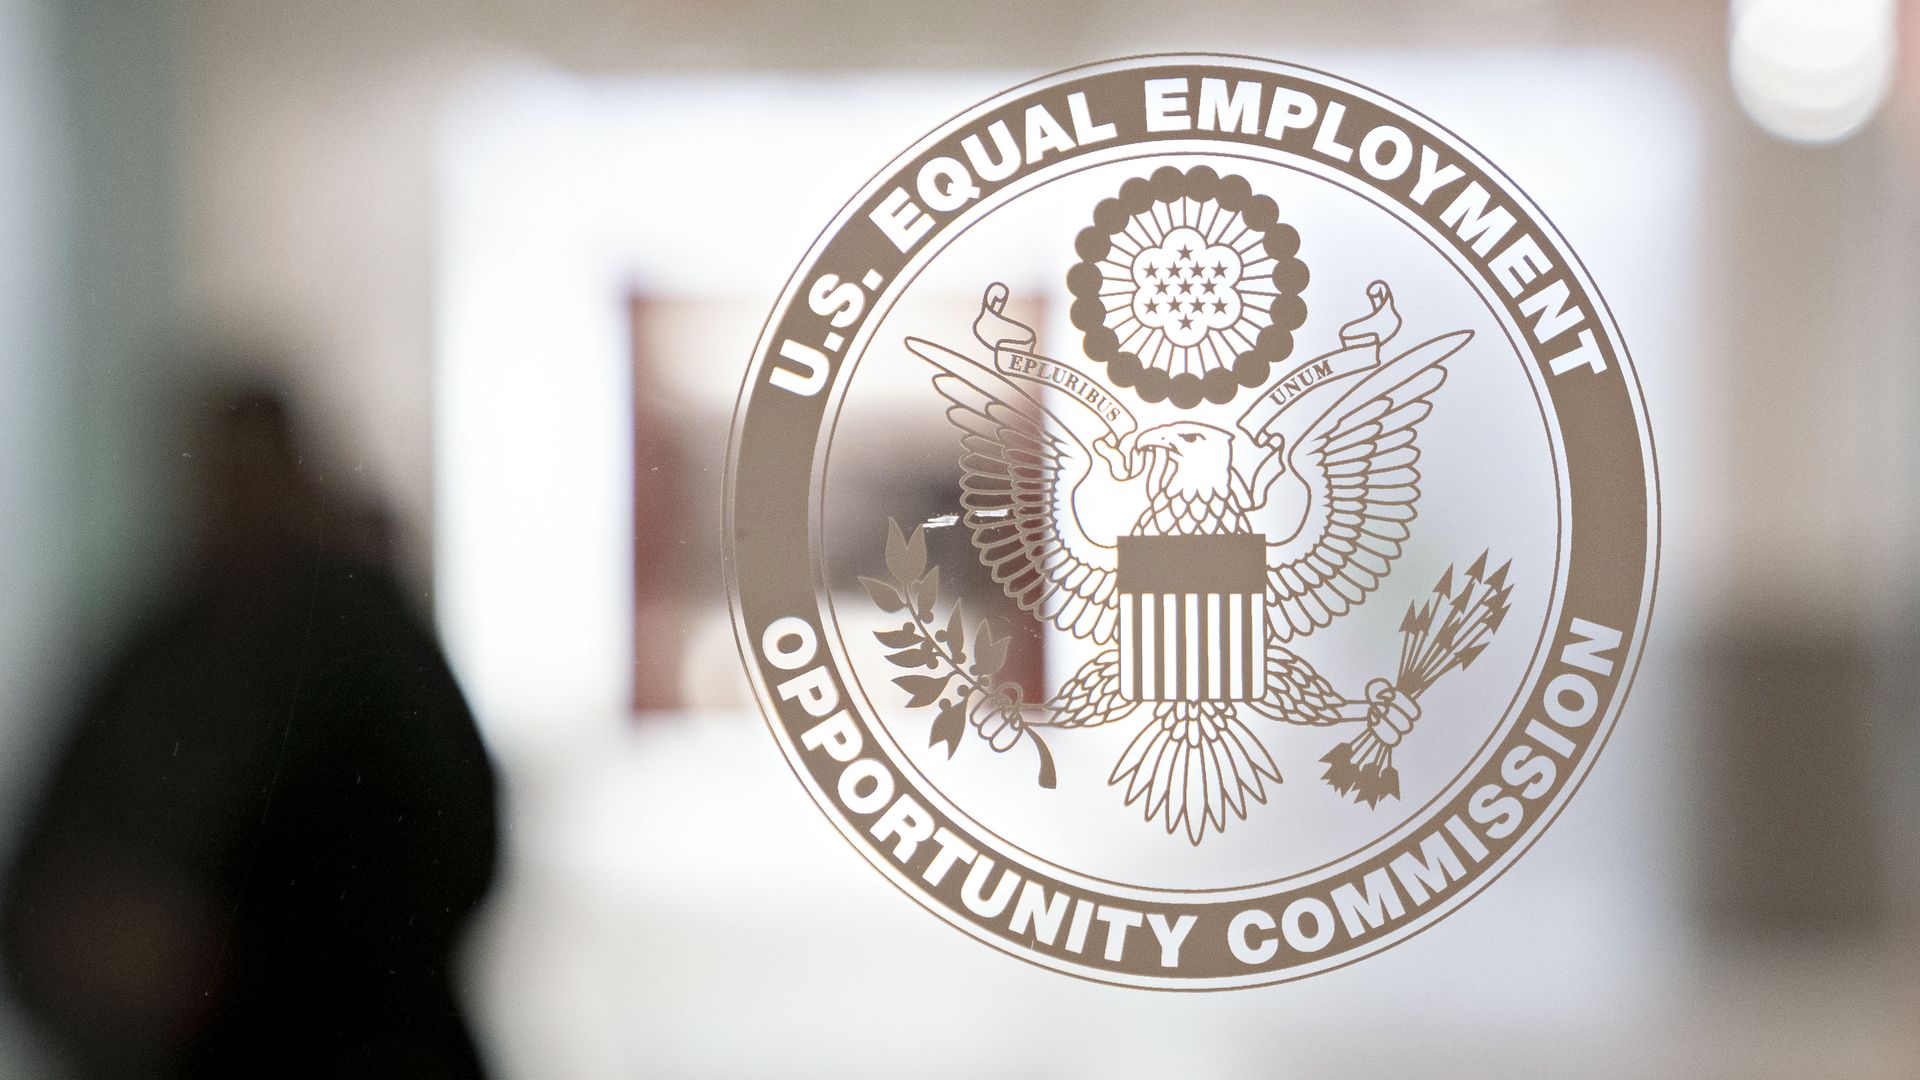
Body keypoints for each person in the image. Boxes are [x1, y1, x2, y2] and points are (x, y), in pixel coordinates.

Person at [4, 385, 498, 1078]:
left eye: (247, 476)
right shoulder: (159, 647)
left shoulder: (370, 650)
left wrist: (226, 950)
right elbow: (45, 868)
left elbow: (448, 852)